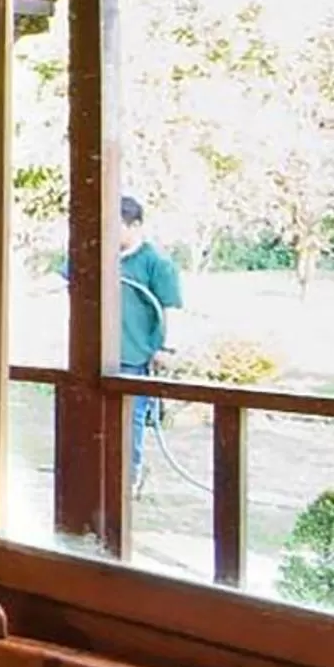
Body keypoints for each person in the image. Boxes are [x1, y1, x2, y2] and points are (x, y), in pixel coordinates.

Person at [116, 195, 184, 491]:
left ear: (135, 226)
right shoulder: (98, 256)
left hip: (134, 357)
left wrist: (166, 348)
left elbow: (171, 308)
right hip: (97, 355)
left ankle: (128, 480)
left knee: (130, 422)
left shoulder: (155, 263)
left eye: (116, 226)